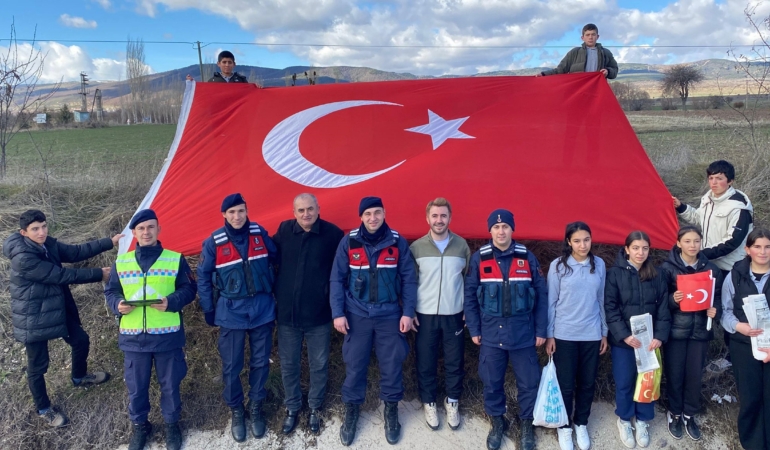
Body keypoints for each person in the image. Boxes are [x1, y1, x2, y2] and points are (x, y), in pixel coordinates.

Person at [3, 209, 117, 428]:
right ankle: (44, 409)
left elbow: (74, 253)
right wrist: (98, 274)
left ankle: (79, 377)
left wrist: (109, 242)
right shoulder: (24, 258)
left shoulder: (47, 244)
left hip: (55, 308)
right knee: (38, 366)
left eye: (44, 226)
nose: (41, 232)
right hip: (33, 316)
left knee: (81, 340)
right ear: (24, 232)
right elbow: (62, 275)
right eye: (35, 229)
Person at [104, 209, 197, 450]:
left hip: (167, 338)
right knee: (136, 389)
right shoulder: (121, 262)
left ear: (158, 229)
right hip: (134, 339)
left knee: (170, 385)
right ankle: (140, 427)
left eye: (151, 227)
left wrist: (171, 301)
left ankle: (171, 425)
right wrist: (117, 304)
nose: (146, 232)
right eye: (141, 228)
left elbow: (189, 289)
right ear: (134, 233)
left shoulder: (175, 259)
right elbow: (111, 291)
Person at [329, 196, 417, 446]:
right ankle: (352, 411)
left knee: (392, 364)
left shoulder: (397, 242)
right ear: (361, 217)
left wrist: (408, 312)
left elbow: (409, 279)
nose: (373, 218)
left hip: (389, 314)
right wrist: (338, 312)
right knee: (355, 364)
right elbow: (336, 279)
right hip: (357, 315)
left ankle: (391, 410)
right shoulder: (349, 241)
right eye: (368, 214)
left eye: (377, 212)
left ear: (384, 212)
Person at [464, 209, 548, 450]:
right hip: (490, 334)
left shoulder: (527, 257)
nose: (501, 231)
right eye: (496, 227)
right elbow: (469, 296)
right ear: (490, 230)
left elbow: (541, 295)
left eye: (505, 227)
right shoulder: (480, 258)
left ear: (512, 229)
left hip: (523, 333)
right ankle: (497, 421)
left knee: (529, 382)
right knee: (491, 382)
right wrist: (474, 328)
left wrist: (541, 329)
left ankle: (526, 423)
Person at [197, 193, 278, 442]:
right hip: (230, 312)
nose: (237, 216)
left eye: (241, 211)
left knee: (260, 362)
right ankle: (236, 410)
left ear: (246, 211)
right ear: (224, 215)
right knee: (232, 367)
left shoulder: (259, 233)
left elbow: (276, 259)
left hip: (262, 309)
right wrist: (209, 309)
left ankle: (255, 406)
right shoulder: (214, 242)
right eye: (231, 212)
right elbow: (203, 276)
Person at [272, 193, 343, 435]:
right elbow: (270, 260)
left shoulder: (333, 235)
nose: (306, 214)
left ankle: (315, 407)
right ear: (294, 212)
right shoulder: (283, 231)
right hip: (287, 316)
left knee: (319, 364)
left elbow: (341, 272)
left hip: (319, 315)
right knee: (289, 365)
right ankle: (292, 407)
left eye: (310, 209)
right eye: (301, 210)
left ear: (318, 209)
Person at [673, 160, 753, 365]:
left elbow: (733, 241)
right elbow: (698, 219)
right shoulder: (707, 198)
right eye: (711, 178)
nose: (714, 183)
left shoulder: (739, 204)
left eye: (719, 178)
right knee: (709, 308)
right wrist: (680, 207)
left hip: (732, 268)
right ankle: (706, 351)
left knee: (733, 311)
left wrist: (701, 254)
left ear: (730, 181)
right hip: (710, 266)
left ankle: (733, 356)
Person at [409, 197, 471, 431]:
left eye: (443, 215)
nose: (439, 220)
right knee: (426, 361)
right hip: (424, 315)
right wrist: (410, 309)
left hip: (454, 313)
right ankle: (429, 401)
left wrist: (468, 308)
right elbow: (409, 282)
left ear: (449, 218)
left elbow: (469, 279)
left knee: (455, 361)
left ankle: (452, 401)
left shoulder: (462, 246)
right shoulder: (416, 247)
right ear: (427, 218)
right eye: (434, 216)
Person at [605, 230, 670, 449]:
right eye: (635, 248)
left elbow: (663, 307)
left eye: (644, 248)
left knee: (647, 381)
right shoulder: (614, 274)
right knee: (624, 381)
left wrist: (660, 336)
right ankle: (624, 419)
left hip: (649, 341)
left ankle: (642, 420)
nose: (640, 253)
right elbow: (610, 307)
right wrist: (623, 335)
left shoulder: (657, 274)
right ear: (626, 249)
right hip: (625, 341)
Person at [546, 221, 608, 450]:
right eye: (577, 241)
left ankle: (581, 423)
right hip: (564, 334)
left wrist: (604, 332)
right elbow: (551, 301)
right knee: (565, 384)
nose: (583, 245)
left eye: (587, 240)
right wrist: (550, 334)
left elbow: (601, 299)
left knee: (587, 382)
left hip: (591, 334)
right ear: (568, 242)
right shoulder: (558, 266)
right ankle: (564, 426)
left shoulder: (599, 264)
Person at [658, 225, 722, 442]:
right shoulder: (667, 268)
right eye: (687, 241)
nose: (692, 245)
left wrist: (716, 310)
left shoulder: (712, 269)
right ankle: (674, 413)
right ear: (678, 243)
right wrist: (671, 300)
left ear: (701, 243)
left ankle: (689, 414)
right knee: (675, 374)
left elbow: (719, 298)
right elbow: (658, 302)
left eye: (696, 241)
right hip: (676, 331)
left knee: (694, 375)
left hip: (700, 332)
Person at [721, 227, 770, 450]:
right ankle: (752, 444)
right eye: (757, 247)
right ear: (747, 249)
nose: (763, 251)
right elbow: (725, 310)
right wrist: (739, 326)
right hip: (743, 345)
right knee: (750, 397)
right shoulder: (735, 275)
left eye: (768, 247)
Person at [536, 23, 618, 79]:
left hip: (597, 91)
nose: (590, 37)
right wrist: (544, 74)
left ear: (597, 36)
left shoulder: (606, 53)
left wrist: (608, 72)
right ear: (583, 38)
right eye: (588, 35)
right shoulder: (574, 52)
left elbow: (614, 70)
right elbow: (560, 70)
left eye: (593, 34)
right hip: (578, 90)